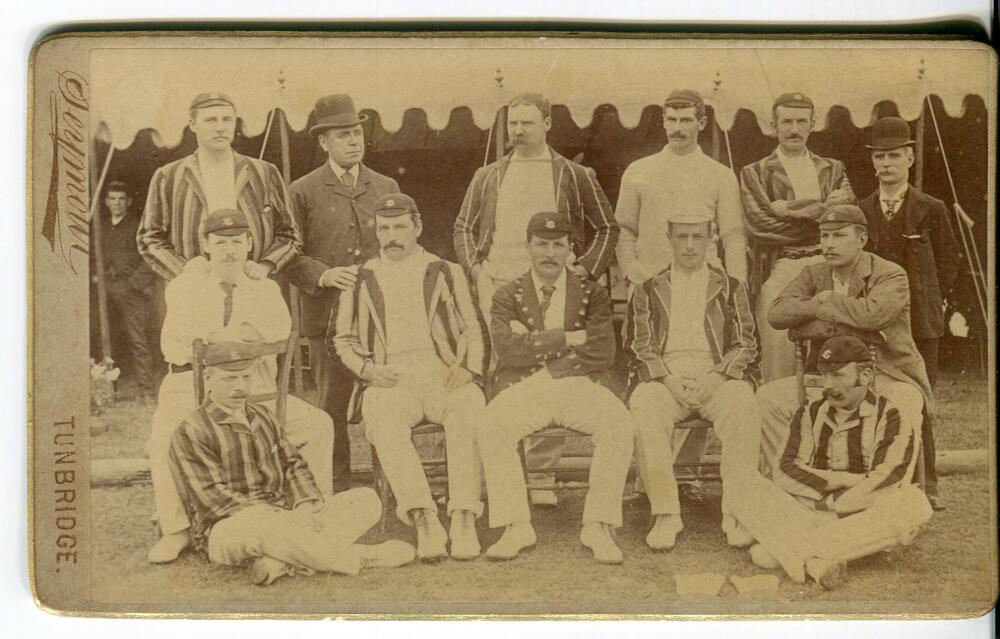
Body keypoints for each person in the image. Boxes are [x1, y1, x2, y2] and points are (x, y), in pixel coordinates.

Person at [453, 92, 619, 507]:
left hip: (554, 275)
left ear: (547, 123)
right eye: (512, 123)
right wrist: (476, 269)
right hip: (500, 283)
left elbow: (607, 228)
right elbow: (462, 227)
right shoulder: (487, 175)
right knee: (499, 369)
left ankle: (542, 475)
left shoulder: (574, 174)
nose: (518, 130)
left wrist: (584, 271)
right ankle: (499, 473)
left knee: (555, 369)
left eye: (527, 122)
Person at [146, 208, 334, 564]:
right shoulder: (185, 286)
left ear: (249, 244)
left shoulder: (264, 289)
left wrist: (218, 339)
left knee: (317, 424)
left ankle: (312, 513)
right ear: (206, 245)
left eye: (236, 241)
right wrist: (240, 338)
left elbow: (279, 334)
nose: (229, 250)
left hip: (251, 388)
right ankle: (177, 530)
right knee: (164, 436)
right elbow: (174, 346)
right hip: (189, 383)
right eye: (221, 242)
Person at [169, 339, 415, 586]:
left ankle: (278, 562)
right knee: (266, 528)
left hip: (284, 518)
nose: (240, 387)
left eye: (245, 377)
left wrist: (306, 505)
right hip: (228, 528)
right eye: (229, 379)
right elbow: (214, 499)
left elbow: (293, 464)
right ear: (207, 378)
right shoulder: (192, 430)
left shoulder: (263, 416)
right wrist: (280, 517)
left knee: (365, 500)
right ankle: (361, 557)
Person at [332, 193, 487, 562]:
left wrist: (466, 368)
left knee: (470, 407)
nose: (392, 236)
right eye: (384, 228)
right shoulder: (360, 277)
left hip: (441, 372)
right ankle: (424, 518)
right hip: (391, 378)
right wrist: (368, 370)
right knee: (383, 420)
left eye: (400, 227)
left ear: (417, 228)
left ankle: (463, 515)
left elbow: (472, 327)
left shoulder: (445, 270)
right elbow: (342, 338)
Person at [477, 211, 633, 564]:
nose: (550, 253)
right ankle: (515, 525)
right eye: (542, 245)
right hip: (526, 385)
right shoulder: (507, 294)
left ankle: (598, 524)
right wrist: (568, 336)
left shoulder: (591, 293)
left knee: (618, 423)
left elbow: (603, 350)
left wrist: (538, 346)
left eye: (558, 245)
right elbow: (505, 349)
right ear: (528, 247)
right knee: (492, 424)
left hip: (576, 381)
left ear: (570, 250)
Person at [755, 205, 937, 505]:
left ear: (861, 239)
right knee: (769, 399)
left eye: (838, 236)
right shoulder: (813, 273)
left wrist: (822, 307)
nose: (828, 244)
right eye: (824, 236)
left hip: (887, 373)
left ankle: (884, 496)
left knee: (905, 401)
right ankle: (798, 488)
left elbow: (873, 316)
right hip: (827, 378)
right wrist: (819, 305)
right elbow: (777, 313)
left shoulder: (890, 274)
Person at [730, 335, 933, 589]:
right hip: (816, 513)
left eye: (838, 376)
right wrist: (840, 484)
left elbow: (888, 480)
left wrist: (829, 501)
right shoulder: (809, 412)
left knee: (913, 504)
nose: (828, 385)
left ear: (866, 376)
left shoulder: (892, 415)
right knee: (742, 485)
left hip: (864, 513)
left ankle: (788, 551)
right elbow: (785, 470)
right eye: (825, 375)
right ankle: (820, 559)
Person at [286, 94, 401, 493]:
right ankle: (337, 490)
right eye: (342, 135)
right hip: (326, 318)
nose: (353, 141)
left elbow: (398, 245)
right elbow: (287, 253)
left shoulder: (384, 186)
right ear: (323, 143)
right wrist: (323, 274)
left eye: (356, 133)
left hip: (378, 319)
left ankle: (394, 486)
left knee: (386, 403)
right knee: (331, 408)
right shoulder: (302, 191)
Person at [624, 214, 760, 551]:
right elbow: (640, 345)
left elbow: (746, 343)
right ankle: (666, 512)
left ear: (710, 238)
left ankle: (737, 512)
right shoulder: (647, 288)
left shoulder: (730, 286)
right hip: (666, 377)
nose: (688, 246)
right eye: (681, 237)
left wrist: (716, 377)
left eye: (697, 237)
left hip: (716, 375)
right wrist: (667, 378)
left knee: (742, 402)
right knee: (645, 405)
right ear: (668, 238)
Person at [740, 92, 856, 382]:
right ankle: (778, 418)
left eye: (801, 121)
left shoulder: (833, 167)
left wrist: (791, 209)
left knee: (834, 347)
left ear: (813, 124)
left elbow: (846, 216)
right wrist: (823, 212)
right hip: (782, 267)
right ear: (773, 125)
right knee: (777, 346)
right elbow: (760, 225)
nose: (794, 129)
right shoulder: (754, 172)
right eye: (787, 121)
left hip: (829, 266)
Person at [138, 91, 301, 282]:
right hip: (195, 288)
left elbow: (290, 234)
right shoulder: (169, 176)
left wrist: (265, 265)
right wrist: (183, 269)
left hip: (252, 285)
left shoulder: (264, 172)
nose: (220, 128)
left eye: (227, 120)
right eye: (210, 120)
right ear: (192, 124)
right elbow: (149, 239)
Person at [859, 116, 961, 389]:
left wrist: (933, 297)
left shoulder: (932, 208)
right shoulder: (862, 210)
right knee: (875, 387)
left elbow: (949, 260)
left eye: (894, 155)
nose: (886, 163)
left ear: (910, 158)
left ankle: (924, 432)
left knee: (921, 387)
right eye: (880, 156)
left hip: (920, 317)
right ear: (872, 161)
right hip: (875, 316)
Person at [616, 89, 748, 287]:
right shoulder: (638, 171)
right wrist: (633, 272)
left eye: (686, 120)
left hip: (704, 284)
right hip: (649, 281)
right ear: (663, 121)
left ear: (701, 123)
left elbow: (734, 237)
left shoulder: (721, 175)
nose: (677, 128)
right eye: (672, 120)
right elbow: (624, 229)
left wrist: (737, 285)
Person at [97, 180, 158, 398]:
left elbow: (149, 258)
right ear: (105, 201)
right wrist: (98, 276)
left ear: (129, 202)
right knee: (104, 337)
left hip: (132, 289)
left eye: (121, 199)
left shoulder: (137, 226)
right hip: (106, 288)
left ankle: (147, 391)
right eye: (112, 199)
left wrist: (133, 284)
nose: (117, 203)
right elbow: (95, 256)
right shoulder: (100, 226)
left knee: (138, 339)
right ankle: (106, 388)